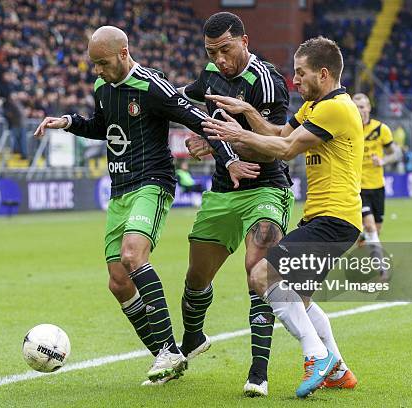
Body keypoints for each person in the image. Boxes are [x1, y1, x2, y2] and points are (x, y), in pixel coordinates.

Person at [33, 26, 259, 384]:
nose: (97, 71)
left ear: (124, 53)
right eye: (93, 65)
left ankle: (169, 348)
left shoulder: (153, 86)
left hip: (152, 183)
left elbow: (200, 120)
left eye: (103, 63)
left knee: (133, 255)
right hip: (119, 190)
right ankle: (166, 357)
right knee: (119, 282)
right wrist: (69, 123)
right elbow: (103, 126)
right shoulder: (101, 87)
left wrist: (228, 159)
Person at [203, 36, 363, 398]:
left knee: (261, 274)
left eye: (300, 73)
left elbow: (286, 150)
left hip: (335, 220)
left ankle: (315, 355)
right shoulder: (315, 107)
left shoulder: (335, 109)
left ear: (323, 74)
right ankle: (338, 369)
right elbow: (278, 133)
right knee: (299, 300)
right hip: (327, 219)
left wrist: (238, 133)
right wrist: (248, 113)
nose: (294, 81)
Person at [177, 12, 294, 397]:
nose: (220, 60)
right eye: (212, 52)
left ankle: (258, 373)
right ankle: (192, 339)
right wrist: (198, 131)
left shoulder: (267, 81)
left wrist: (213, 142)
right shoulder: (211, 74)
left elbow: (276, 143)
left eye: (226, 49)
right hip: (224, 190)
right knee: (196, 279)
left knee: (257, 268)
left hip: (265, 185)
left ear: (244, 41)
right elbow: (184, 101)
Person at [352, 93, 401, 280]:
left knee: (375, 230)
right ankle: (381, 269)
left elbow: (394, 154)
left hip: (378, 187)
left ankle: (362, 239)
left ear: (369, 108)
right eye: (356, 107)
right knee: (371, 227)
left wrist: (383, 160)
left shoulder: (381, 130)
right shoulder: (349, 129)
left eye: (363, 107)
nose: (360, 110)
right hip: (358, 188)